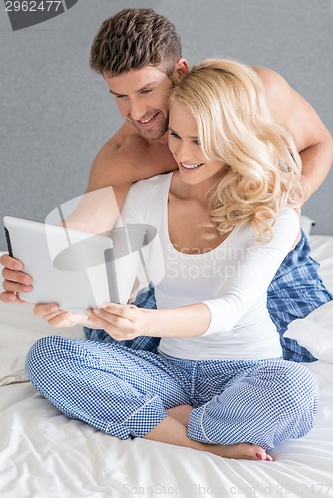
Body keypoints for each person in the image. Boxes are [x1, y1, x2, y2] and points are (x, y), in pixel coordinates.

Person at [26, 58, 319, 461]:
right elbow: (120, 286)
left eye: (199, 140)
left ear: (235, 137)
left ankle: (173, 421)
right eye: (177, 136)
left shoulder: (274, 210)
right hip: (169, 371)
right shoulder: (148, 195)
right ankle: (196, 438)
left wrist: (143, 322)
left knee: (296, 388)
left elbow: (230, 310)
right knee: (48, 356)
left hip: (249, 372)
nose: (182, 152)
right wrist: (77, 313)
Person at [1, 8, 333, 362]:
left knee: (299, 349)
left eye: (146, 90)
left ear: (180, 71)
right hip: (180, 274)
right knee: (103, 335)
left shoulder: (256, 94)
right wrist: (35, 270)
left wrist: (289, 200)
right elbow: (84, 234)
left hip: (265, 251)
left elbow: (318, 143)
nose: (137, 111)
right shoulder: (126, 156)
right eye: (120, 96)